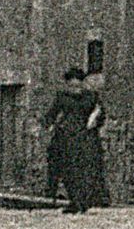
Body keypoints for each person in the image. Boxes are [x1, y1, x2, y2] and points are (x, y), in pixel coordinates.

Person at [45, 67, 109, 213]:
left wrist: (95, 120)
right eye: (72, 86)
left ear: (82, 84)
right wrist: (49, 125)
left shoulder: (91, 97)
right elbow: (52, 114)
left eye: (78, 86)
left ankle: (84, 201)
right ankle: (74, 201)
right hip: (66, 139)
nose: (75, 89)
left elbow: (100, 115)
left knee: (85, 171)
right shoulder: (62, 97)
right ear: (67, 85)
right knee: (68, 171)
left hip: (86, 139)